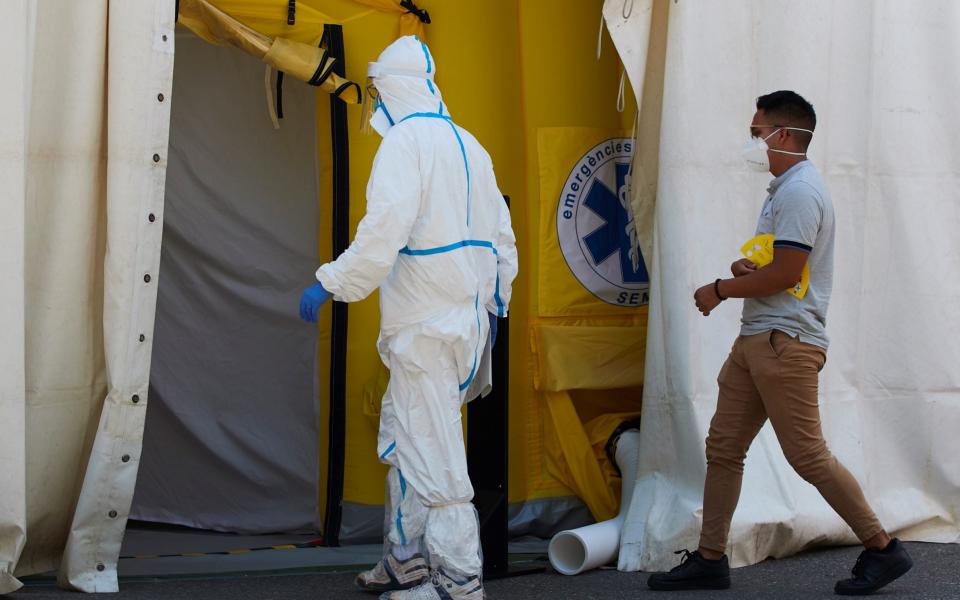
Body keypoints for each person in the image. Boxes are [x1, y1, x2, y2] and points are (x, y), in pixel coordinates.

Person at [647, 91, 913, 595]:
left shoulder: (798, 192)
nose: (753, 141)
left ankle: (883, 549)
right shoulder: (786, 190)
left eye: (757, 132)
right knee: (724, 448)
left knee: (807, 455)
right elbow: (784, 270)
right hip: (760, 341)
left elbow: (788, 271)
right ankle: (709, 558)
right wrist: (747, 271)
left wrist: (721, 289)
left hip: (783, 344)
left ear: (783, 135)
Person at [299, 35, 517, 600]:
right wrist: (495, 303)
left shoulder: (404, 143)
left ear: (391, 89)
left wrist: (332, 282)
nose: (372, 102)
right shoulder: (470, 143)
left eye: (374, 91)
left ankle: (459, 580)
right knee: (405, 437)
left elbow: (384, 232)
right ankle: (405, 558)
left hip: (424, 324)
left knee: (433, 451)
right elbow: (503, 238)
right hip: (463, 323)